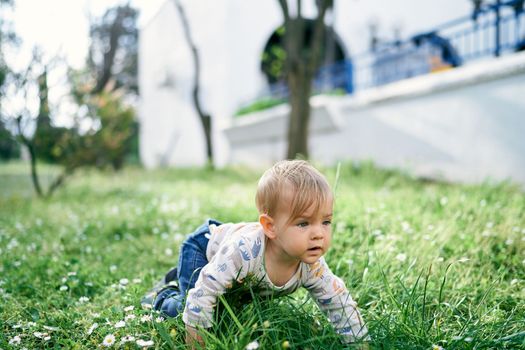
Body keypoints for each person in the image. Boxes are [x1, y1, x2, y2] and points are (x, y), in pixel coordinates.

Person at [141, 160, 370, 347]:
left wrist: (360, 344)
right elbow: (205, 292)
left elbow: (339, 303)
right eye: (303, 223)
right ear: (270, 227)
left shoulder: (312, 266)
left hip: (229, 266)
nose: (318, 234)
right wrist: (197, 342)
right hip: (204, 249)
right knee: (191, 306)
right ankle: (160, 297)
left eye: (326, 221)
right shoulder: (244, 252)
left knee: (227, 308)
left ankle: (177, 276)